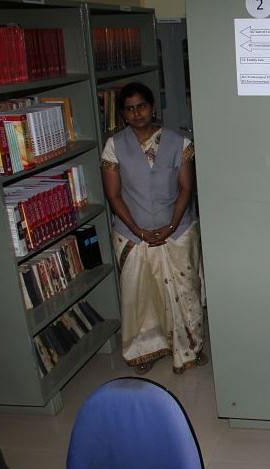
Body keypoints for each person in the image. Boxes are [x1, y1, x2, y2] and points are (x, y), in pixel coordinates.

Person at [101, 82, 206, 375]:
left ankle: (190, 346)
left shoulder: (179, 142)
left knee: (186, 291)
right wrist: (139, 231)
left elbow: (186, 188)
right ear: (123, 114)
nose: (137, 113)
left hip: (178, 230)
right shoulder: (114, 146)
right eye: (129, 109)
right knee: (141, 297)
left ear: (152, 107)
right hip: (132, 234)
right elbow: (114, 195)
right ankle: (144, 350)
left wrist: (171, 226)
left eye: (142, 106)